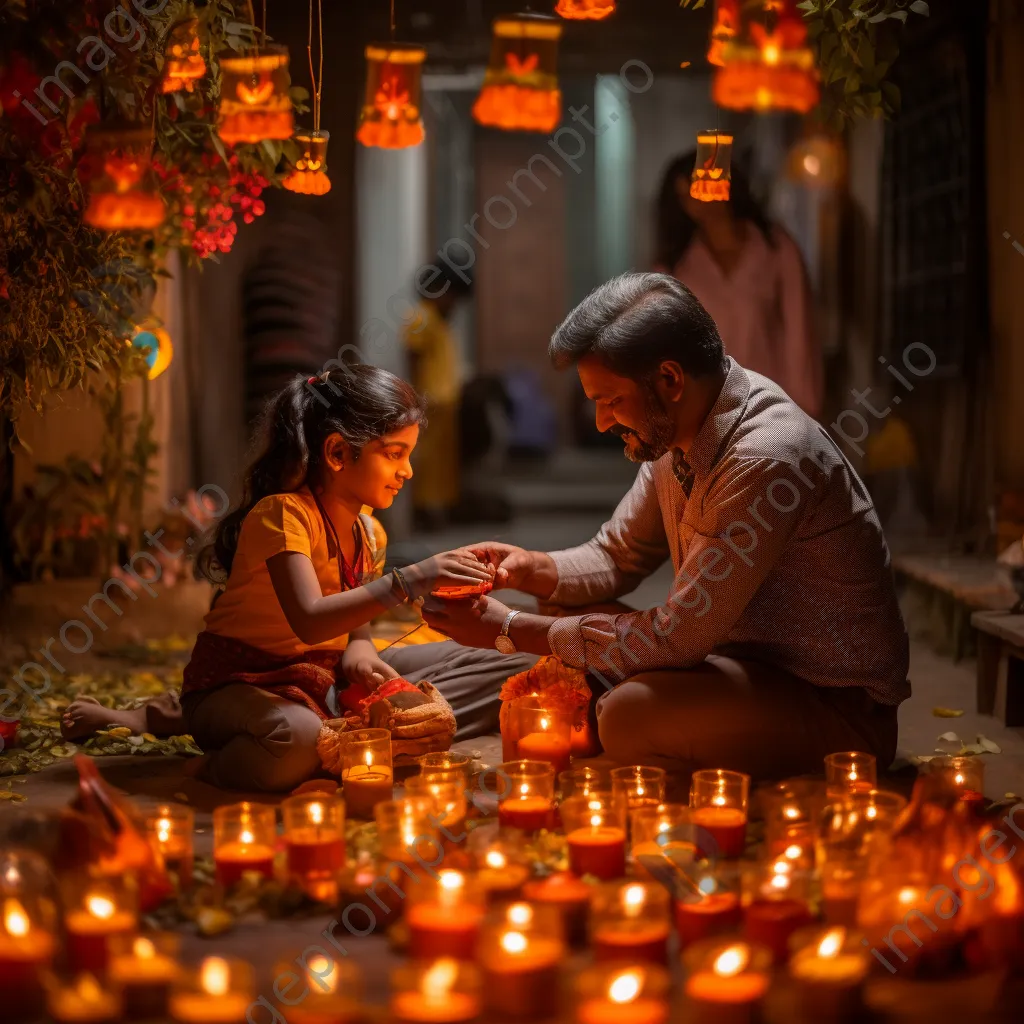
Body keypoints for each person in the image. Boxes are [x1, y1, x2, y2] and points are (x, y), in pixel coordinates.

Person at [423, 273, 910, 782]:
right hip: (738, 669)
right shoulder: (677, 431)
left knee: (630, 715)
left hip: (832, 708)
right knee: (563, 602)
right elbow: (616, 557)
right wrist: (528, 567)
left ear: (670, 380)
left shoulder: (763, 458)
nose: (601, 423)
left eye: (610, 401)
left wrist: (508, 629)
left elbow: (678, 637)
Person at [63, 365, 534, 792]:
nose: (407, 471)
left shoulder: (369, 531)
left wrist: (362, 656)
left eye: (408, 455)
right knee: (297, 744)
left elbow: (356, 637)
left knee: (508, 654)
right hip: (241, 682)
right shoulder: (282, 516)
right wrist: (412, 579)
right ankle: (204, 753)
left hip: (324, 678)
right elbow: (309, 621)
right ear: (336, 452)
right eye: (395, 454)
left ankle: (365, 725)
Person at [654, 152, 823, 418]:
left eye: (696, 188)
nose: (695, 202)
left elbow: (799, 331)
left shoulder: (776, 248)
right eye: (683, 197)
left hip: (772, 408)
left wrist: (806, 408)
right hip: (704, 414)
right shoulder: (676, 267)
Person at [404, 265, 473, 531]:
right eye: (451, 295)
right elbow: (414, 356)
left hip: (445, 403)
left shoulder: (439, 319)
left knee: (443, 461)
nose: (454, 303)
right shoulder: (422, 317)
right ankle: (426, 510)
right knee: (429, 460)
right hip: (430, 402)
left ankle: (440, 507)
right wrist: (415, 396)